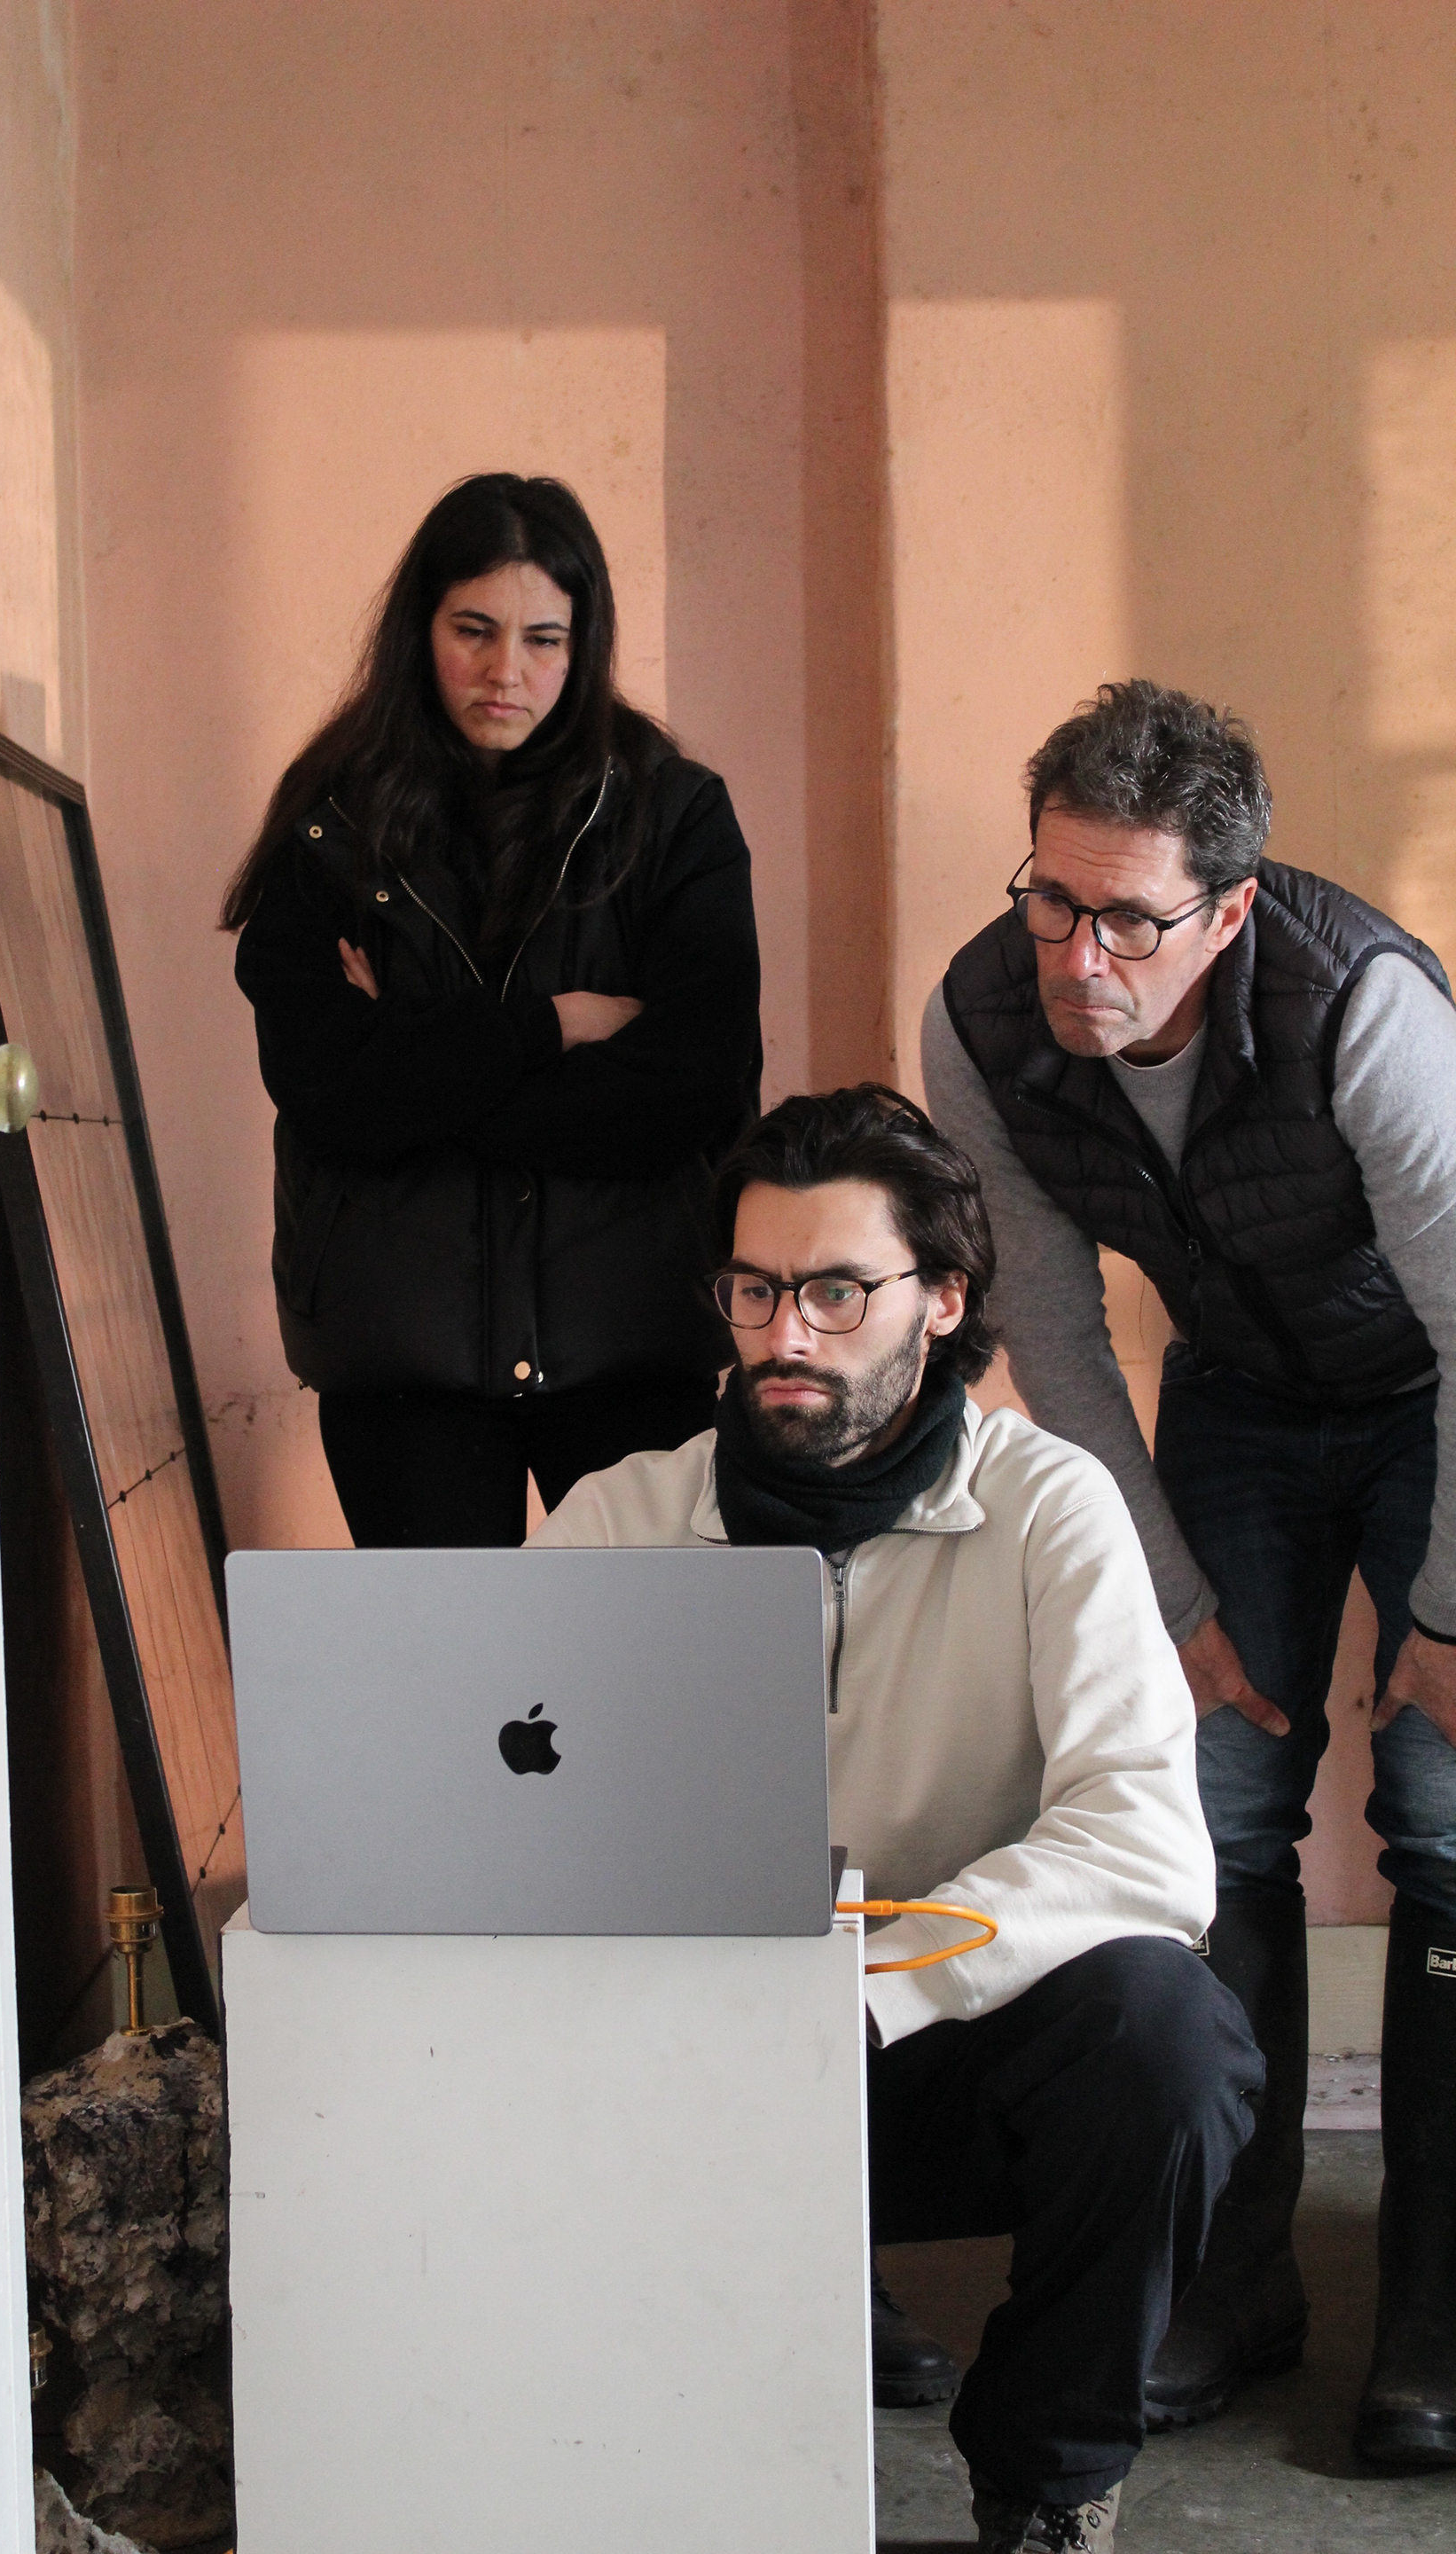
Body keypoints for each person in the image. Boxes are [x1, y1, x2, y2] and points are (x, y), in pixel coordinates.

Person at [534, 1084, 1258, 2554]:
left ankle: (1049, 2487)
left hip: (930, 2044)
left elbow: (1148, 1842)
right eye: (756, 1290)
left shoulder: (1050, 1506)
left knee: (1169, 2038)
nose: (786, 1335)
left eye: (836, 1291)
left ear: (944, 1299)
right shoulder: (620, 1517)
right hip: (683, 2060)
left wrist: (877, 1983)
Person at [922, 678, 1456, 2467]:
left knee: (1448, 1815)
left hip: (1435, 1395)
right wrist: (1175, 1601)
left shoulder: (1360, 1006)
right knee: (1209, 1811)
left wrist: (1448, 1617)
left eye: (1132, 920)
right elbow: (1056, 1336)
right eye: (1051, 900)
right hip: (1236, 1400)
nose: (1080, 959)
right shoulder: (981, 1020)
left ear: (1226, 913)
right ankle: (1230, 2283)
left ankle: (1438, 2321)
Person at [224, 473, 760, 1547]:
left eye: (544, 639)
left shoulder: (674, 816)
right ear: (419, 627)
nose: (506, 671)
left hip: (630, 1337)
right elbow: (326, 1085)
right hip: (400, 1359)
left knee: (644, 1654)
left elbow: (693, 1086)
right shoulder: (331, 827)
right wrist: (552, 1029)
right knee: (446, 1661)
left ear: (584, 643)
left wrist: (415, 1070)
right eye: (473, 629)